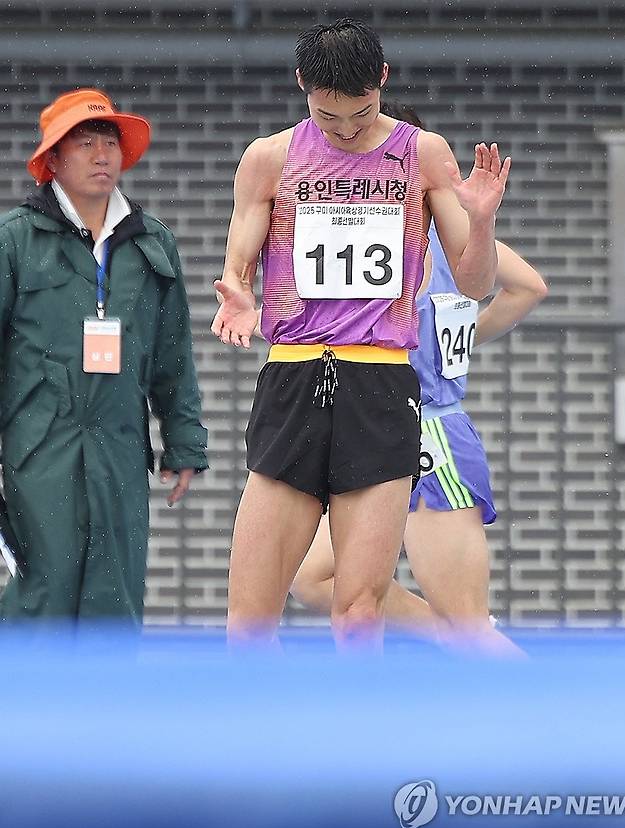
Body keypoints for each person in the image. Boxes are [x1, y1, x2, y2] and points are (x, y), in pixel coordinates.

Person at [211, 20, 511, 649]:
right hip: (295, 377)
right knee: (249, 619)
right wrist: (237, 289)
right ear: (302, 85)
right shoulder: (270, 158)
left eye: (361, 114)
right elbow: (238, 259)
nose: (346, 131)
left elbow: (475, 283)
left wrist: (482, 222)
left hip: (380, 383)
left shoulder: (422, 153)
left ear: (383, 81)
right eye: (328, 117)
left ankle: (361, 715)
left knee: (358, 611)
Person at [290, 103, 547, 655]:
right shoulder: (371, 231)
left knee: (469, 626)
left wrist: (463, 336)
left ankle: (530, 692)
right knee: (315, 580)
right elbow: (527, 287)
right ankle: (448, 643)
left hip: (432, 434)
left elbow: (529, 286)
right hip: (374, 427)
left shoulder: (440, 238)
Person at [0, 88, 208, 624]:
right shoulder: (15, 241)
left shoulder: (151, 242)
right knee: (42, 594)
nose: (101, 155)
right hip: (38, 447)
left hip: (119, 445)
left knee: (114, 597)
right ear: (53, 160)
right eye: (85, 142)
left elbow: (173, 354)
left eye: (110, 143)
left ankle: (106, 685)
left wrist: (184, 442)